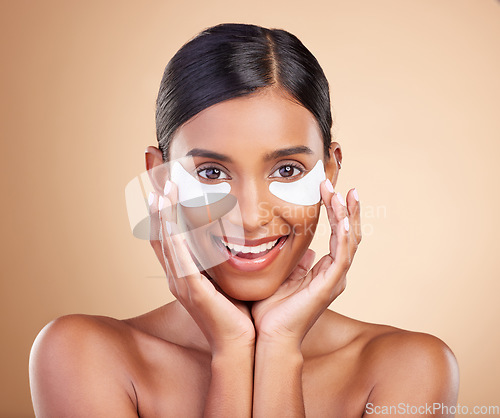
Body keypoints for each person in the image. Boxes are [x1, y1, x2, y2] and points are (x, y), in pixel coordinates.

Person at [29, 23, 459, 417]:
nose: (250, 218)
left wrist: (280, 347)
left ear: (329, 171)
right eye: (212, 173)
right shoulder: (82, 355)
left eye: (287, 170)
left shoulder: (410, 368)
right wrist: (233, 351)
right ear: (157, 176)